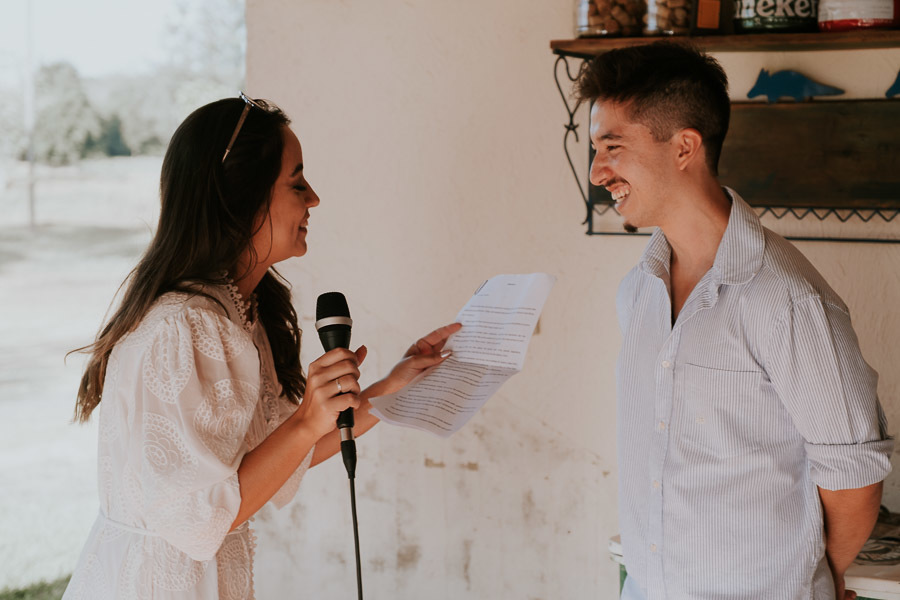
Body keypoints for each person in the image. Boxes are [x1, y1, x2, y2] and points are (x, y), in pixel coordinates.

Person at [62, 93, 461, 599]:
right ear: (243, 199)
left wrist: (392, 387)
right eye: (297, 182)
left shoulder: (240, 314)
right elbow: (201, 517)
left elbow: (280, 452)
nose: (313, 198)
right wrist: (306, 418)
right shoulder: (181, 328)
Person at [575, 43, 893, 599]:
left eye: (613, 147)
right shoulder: (639, 290)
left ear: (685, 148)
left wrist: (815, 580)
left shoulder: (787, 298)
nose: (599, 170)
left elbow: (856, 479)